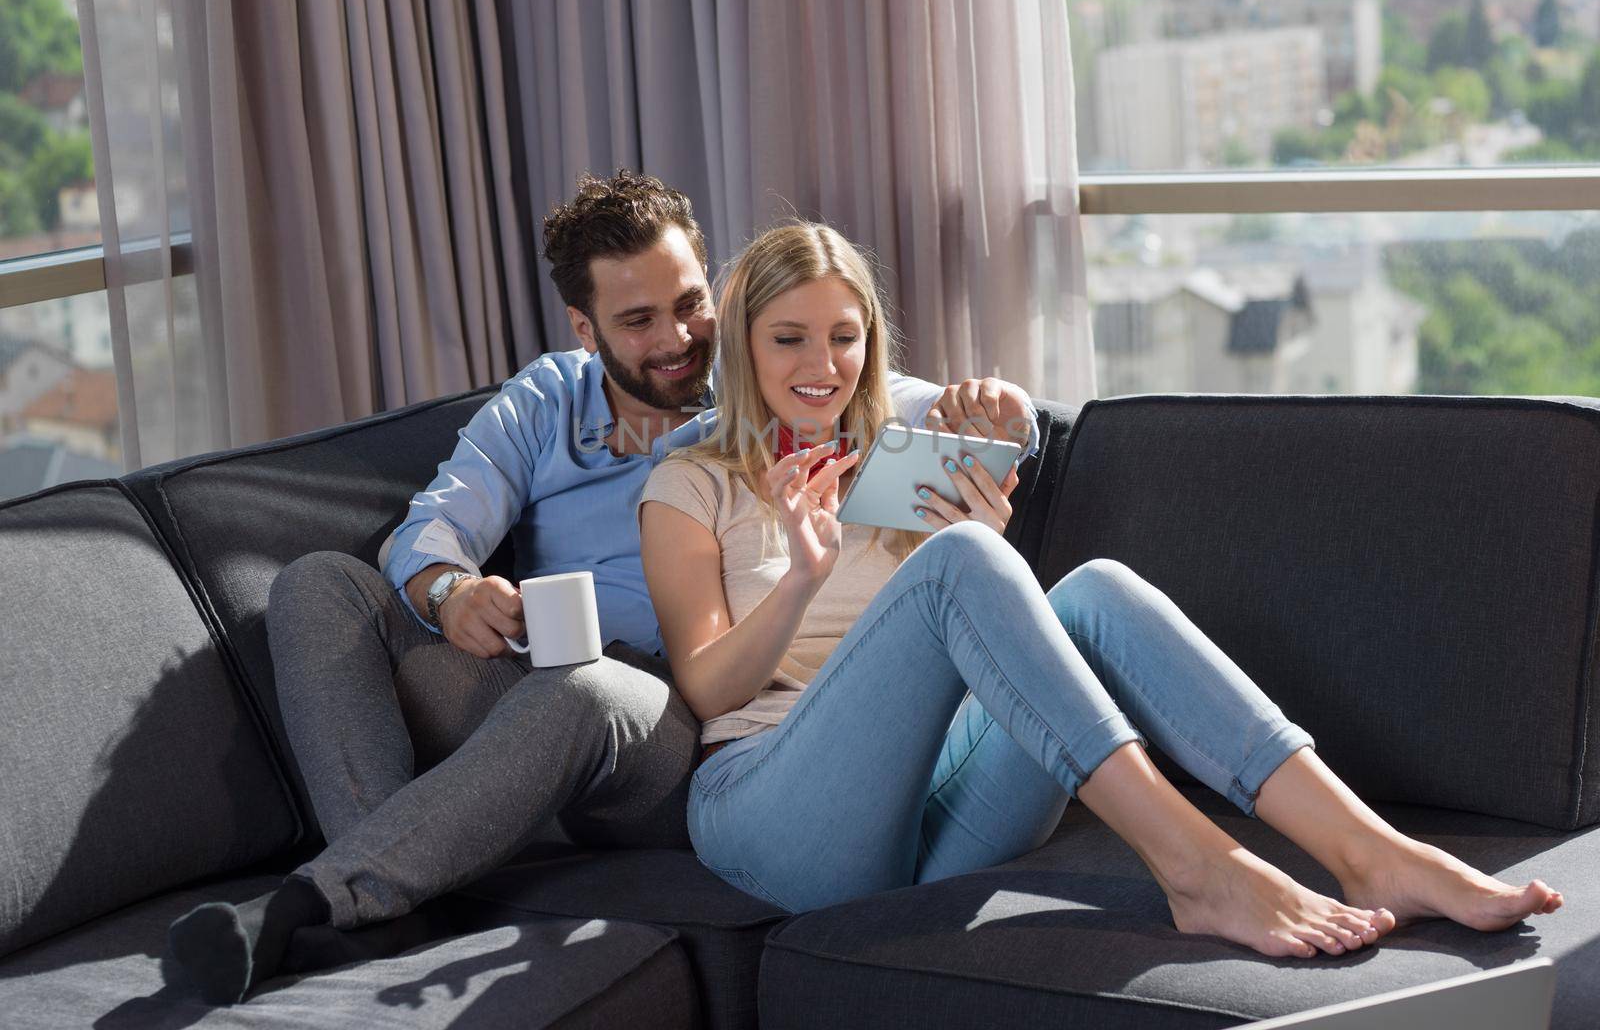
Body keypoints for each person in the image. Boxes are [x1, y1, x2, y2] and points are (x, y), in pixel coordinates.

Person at [165, 171, 1039, 1004]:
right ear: (584, 330)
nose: (678, 339)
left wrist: (997, 407)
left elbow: (913, 402)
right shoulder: (543, 405)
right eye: (637, 320)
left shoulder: (776, 387)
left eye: (692, 304)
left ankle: (330, 898)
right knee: (321, 584)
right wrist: (450, 595)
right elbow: (429, 532)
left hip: (669, 716)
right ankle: (391, 883)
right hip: (533, 686)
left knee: (591, 688)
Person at [638, 220, 1566, 960]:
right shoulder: (692, 485)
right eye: (789, 338)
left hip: (923, 826)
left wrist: (977, 542)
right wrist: (803, 576)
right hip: (773, 813)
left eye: (845, 338)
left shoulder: (897, 465)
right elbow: (709, 686)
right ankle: (1199, 866)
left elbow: (964, 644)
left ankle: (1375, 854)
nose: (822, 366)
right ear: (745, 349)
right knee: (966, 562)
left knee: (1097, 593)